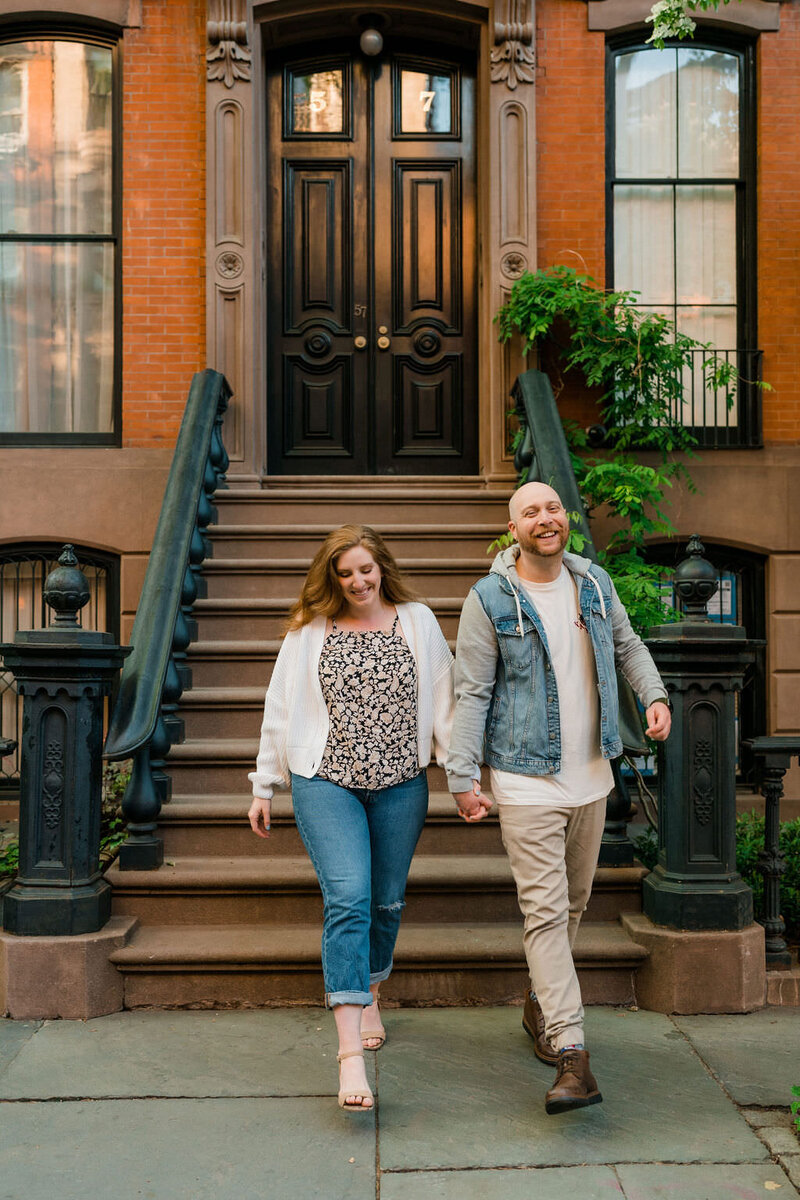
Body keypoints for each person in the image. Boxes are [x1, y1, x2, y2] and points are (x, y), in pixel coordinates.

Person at [446, 481, 671, 1115]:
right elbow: (473, 692)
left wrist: (651, 695)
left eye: (552, 509)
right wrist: (463, 776)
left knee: (572, 904)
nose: (545, 520)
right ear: (511, 527)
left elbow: (627, 646)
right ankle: (573, 1055)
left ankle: (540, 1004)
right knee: (544, 912)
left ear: (563, 518)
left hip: (592, 774)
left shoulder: (593, 583)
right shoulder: (489, 599)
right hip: (523, 778)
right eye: (530, 513)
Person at [248, 525, 454, 1112]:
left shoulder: (417, 621)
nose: (358, 581)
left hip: (400, 784)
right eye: (345, 573)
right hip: (324, 780)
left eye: (366, 569)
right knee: (349, 897)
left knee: (386, 900)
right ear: (331, 579)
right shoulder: (309, 633)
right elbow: (280, 709)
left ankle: (371, 990)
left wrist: (463, 780)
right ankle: (348, 1059)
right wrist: (265, 784)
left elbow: (446, 703)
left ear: (382, 567)